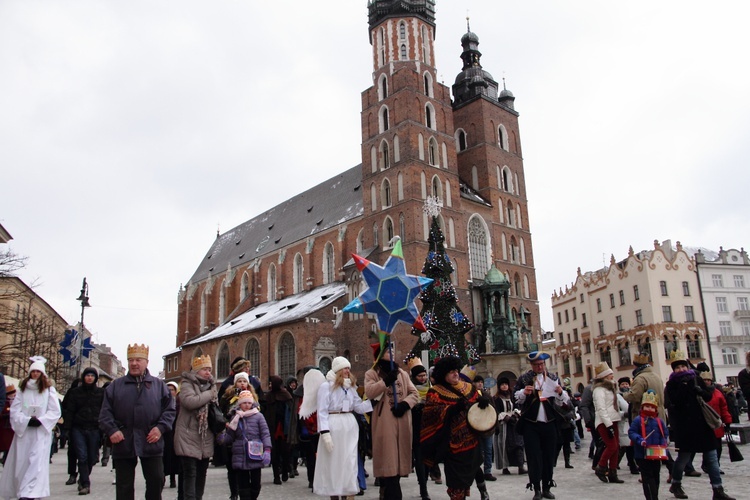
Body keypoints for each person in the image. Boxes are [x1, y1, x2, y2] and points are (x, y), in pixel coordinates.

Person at [99, 343, 176, 500]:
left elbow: (170, 410)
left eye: (138, 360)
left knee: (156, 480)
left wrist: (160, 428)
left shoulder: (159, 386)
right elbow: (105, 413)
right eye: (131, 360)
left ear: (146, 361)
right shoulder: (115, 387)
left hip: (151, 439)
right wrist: (112, 430)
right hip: (124, 440)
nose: (134, 363)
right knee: (124, 486)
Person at [664, 351, 735, 500]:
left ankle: (718, 489)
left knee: (712, 458)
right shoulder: (671, 384)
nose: (681, 369)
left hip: (702, 425)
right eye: (677, 368)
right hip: (685, 427)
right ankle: (676, 484)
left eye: (683, 366)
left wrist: (701, 390)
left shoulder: (696, 379)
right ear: (674, 370)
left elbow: (709, 396)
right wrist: (684, 387)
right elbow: (673, 402)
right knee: (683, 458)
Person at [421, 355, 489, 500]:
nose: (455, 373)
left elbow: (478, 406)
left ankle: (483, 490)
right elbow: (431, 414)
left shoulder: (469, 387)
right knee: (456, 482)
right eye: (451, 371)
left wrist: (483, 401)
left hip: (472, 442)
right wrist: (450, 410)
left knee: (474, 469)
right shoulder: (435, 391)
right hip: (452, 446)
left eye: (456, 370)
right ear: (443, 373)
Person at [0, 356, 62, 500]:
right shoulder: (23, 389)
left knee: (36, 461)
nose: (35, 375)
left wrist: (42, 420)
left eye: (38, 372)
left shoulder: (48, 390)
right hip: (25, 432)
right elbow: (15, 410)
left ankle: (30, 492)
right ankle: (23, 488)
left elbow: (54, 411)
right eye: (33, 372)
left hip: (40, 433)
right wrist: (26, 420)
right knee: (22, 461)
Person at [312, 355, 372, 498]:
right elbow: (322, 411)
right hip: (334, 425)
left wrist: (373, 402)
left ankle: (347, 490)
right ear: (338, 370)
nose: (347, 371)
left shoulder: (350, 386)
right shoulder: (326, 387)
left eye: (348, 368)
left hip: (349, 425)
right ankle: (334, 492)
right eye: (345, 368)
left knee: (348, 460)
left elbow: (358, 406)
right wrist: (325, 432)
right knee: (334, 461)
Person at [364, 343, 419, 500]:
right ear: (380, 355)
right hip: (384, 423)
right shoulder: (372, 373)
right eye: (388, 351)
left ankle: (389, 491)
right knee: (389, 465)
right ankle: (391, 493)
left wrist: (404, 404)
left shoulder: (402, 373)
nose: (392, 352)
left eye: (392, 350)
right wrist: (385, 381)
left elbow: (414, 393)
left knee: (399, 464)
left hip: (402, 421)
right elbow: (370, 391)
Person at [514, 351, 569, 500]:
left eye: (542, 364)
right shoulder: (524, 378)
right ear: (531, 365)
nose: (540, 367)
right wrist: (524, 392)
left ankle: (547, 486)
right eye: (537, 364)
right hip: (531, 424)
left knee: (548, 456)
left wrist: (559, 392)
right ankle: (536, 488)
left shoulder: (552, 378)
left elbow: (561, 403)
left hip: (549, 422)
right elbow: (516, 399)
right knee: (534, 457)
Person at [174, 355, 218, 500]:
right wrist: (209, 394)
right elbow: (190, 402)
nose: (208, 372)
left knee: (201, 473)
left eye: (209, 369)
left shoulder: (212, 385)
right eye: (204, 369)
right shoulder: (187, 383)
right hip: (188, 435)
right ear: (196, 370)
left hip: (205, 435)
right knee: (190, 473)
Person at [217, 390, 271, 500]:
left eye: (249, 403)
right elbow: (231, 435)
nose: (247, 405)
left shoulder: (258, 416)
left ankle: (253, 496)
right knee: (243, 484)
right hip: (240, 454)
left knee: (256, 484)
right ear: (239, 403)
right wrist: (222, 438)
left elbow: (265, 433)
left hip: (255, 453)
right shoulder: (235, 417)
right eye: (244, 403)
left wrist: (267, 450)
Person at [63, 367, 104, 495]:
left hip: (94, 428)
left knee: (92, 457)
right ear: (84, 377)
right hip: (78, 428)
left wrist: (104, 428)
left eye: (92, 375)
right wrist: (67, 429)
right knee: (82, 456)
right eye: (87, 375)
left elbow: (105, 411)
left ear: (95, 378)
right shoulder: (75, 393)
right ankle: (85, 483)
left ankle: (83, 477)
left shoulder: (101, 393)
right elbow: (70, 411)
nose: (90, 378)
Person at [628, 390, 668, 500]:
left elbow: (664, 434)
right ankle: (651, 498)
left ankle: (654, 496)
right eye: (647, 407)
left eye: (652, 407)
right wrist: (640, 440)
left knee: (656, 477)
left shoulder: (659, 421)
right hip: (642, 455)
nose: (649, 409)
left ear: (655, 409)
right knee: (648, 477)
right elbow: (632, 432)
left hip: (655, 454)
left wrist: (663, 444)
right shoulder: (638, 420)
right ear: (643, 407)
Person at [591, 362, 623, 484]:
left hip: (613, 419)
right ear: (604, 376)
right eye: (610, 374)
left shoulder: (611, 387)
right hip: (604, 422)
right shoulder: (599, 390)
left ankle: (613, 472)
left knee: (616, 447)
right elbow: (601, 408)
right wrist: (608, 424)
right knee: (612, 446)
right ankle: (601, 467)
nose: (612, 375)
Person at [407, 356, 431, 500]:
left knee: (428, 459)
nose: (423, 378)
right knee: (420, 458)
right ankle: (423, 488)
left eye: (424, 375)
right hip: (415, 428)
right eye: (420, 376)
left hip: (429, 428)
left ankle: (425, 481)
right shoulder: (410, 389)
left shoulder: (431, 388)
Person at [262, 375, 293, 485]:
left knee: (285, 452)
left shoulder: (286, 395)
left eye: (271, 383)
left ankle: (285, 471)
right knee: (274, 453)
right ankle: (276, 476)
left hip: (284, 428)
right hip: (272, 428)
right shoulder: (268, 396)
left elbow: (291, 412)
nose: (270, 385)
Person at [700, 371, 733, 471]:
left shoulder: (717, 393)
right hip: (704, 424)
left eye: (708, 380)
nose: (706, 382)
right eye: (704, 380)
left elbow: (724, 408)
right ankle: (707, 465)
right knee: (708, 447)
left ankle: (715, 465)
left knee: (718, 447)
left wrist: (727, 421)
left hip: (717, 424)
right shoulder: (699, 392)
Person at [298, 368, 325, 490]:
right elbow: (305, 415)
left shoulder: (310, 395)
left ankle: (316, 479)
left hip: (318, 430)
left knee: (316, 457)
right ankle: (313, 480)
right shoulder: (306, 396)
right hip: (313, 432)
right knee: (312, 458)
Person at [493, 376, 525, 475]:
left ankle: (521, 466)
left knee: (518, 444)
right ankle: (505, 467)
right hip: (503, 425)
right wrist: (505, 417)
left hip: (514, 424)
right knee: (503, 445)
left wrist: (515, 415)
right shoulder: (496, 398)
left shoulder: (512, 396)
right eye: (502, 385)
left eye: (506, 384)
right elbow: (496, 411)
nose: (504, 386)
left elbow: (517, 406)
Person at [472, 375, 497, 481]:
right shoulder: (471, 395)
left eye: (481, 382)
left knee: (488, 450)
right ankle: (476, 471)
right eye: (477, 382)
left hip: (487, 427)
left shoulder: (487, 395)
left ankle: (488, 471)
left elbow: (494, 410)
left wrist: (496, 425)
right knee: (477, 451)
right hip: (475, 427)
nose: (480, 384)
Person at [617, 376, 638, 475]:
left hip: (633, 422)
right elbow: (616, 410)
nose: (625, 385)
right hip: (623, 423)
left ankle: (632, 464)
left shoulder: (632, 395)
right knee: (627, 446)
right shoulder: (617, 396)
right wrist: (623, 414)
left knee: (630, 446)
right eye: (622, 384)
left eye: (626, 384)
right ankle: (632, 466)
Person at [163, 381, 180, 491]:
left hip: (176, 431)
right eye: (168, 390)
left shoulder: (179, 403)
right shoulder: (162, 402)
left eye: (172, 390)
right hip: (165, 432)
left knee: (174, 456)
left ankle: (173, 478)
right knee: (164, 456)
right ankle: (162, 477)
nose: (170, 392)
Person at [0, 384, 15, 466]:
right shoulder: (4, 402)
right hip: (4, 427)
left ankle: (6, 459)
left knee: (9, 446)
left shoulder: (16, 401)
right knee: (4, 444)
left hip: (11, 429)